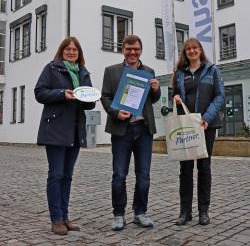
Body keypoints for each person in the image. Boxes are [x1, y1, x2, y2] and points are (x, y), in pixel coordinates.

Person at [34, 37, 95, 235]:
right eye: (68, 49)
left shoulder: (83, 72)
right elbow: (40, 93)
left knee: (67, 176)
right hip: (55, 129)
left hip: (75, 130)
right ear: (62, 51)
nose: (71, 52)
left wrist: (90, 99)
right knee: (56, 174)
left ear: (79, 53)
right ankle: (56, 219)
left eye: (75, 50)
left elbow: (90, 103)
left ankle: (65, 216)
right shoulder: (52, 68)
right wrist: (62, 93)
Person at [101, 35, 161, 231]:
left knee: (143, 175)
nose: (132, 52)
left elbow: (153, 99)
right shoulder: (112, 71)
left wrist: (156, 89)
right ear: (123, 50)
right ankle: (118, 214)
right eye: (128, 49)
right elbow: (106, 97)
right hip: (122, 130)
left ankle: (140, 213)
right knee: (119, 174)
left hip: (144, 130)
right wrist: (116, 112)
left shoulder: (149, 71)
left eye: (135, 49)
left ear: (141, 50)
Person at [172, 37, 224, 226]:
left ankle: (204, 211)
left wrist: (207, 118)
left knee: (204, 167)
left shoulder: (212, 70)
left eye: (195, 48)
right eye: (188, 49)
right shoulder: (180, 73)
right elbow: (175, 95)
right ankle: (185, 212)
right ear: (185, 53)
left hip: (206, 126)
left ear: (200, 50)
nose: (192, 51)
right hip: (186, 126)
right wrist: (176, 98)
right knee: (185, 170)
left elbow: (220, 96)